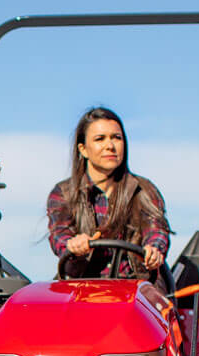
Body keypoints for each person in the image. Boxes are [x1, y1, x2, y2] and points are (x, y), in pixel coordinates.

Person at [46, 106, 171, 280]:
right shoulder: (63, 194)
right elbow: (60, 235)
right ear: (83, 149)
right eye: (100, 139)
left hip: (135, 290)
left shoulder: (143, 190)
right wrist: (73, 245)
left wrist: (153, 249)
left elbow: (156, 230)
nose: (110, 146)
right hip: (83, 290)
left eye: (116, 138)